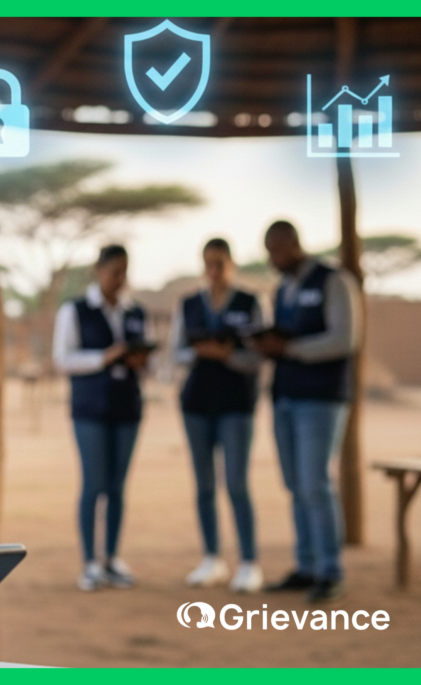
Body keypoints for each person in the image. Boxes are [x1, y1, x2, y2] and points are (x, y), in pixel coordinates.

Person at [253, 220, 362, 603]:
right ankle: (306, 566)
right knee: (295, 485)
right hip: (284, 395)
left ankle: (330, 570)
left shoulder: (334, 281)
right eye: (268, 252)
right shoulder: (283, 289)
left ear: (294, 244)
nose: (273, 258)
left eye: (277, 250)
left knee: (315, 482)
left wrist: (292, 350)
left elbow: (345, 338)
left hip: (321, 397)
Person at [53, 245, 152, 591]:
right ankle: (90, 563)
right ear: (99, 270)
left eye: (125, 272)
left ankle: (112, 558)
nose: (120, 279)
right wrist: (105, 358)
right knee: (93, 484)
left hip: (128, 408)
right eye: (114, 272)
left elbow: (147, 358)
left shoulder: (135, 310)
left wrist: (141, 361)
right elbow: (63, 360)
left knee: (117, 487)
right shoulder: (76, 310)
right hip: (90, 408)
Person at [170, 238, 264, 592]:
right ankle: (212, 558)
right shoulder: (190, 303)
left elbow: (259, 354)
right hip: (196, 403)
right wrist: (200, 353)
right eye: (208, 263)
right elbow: (175, 352)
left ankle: (249, 562)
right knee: (204, 485)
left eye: (220, 263)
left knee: (237, 484)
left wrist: (227, 356)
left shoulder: (250, 302)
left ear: (232, 264)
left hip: (237, 404)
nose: (214, 271)